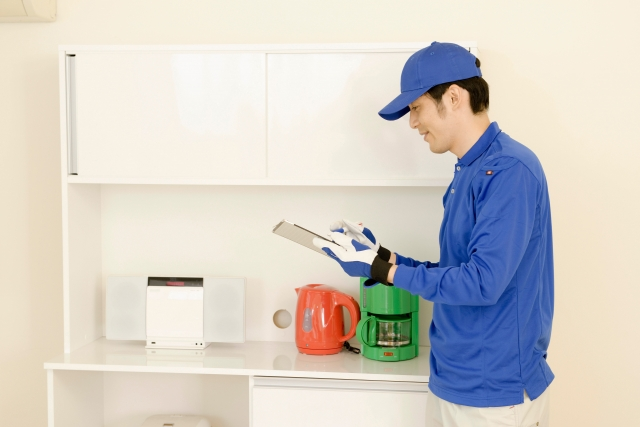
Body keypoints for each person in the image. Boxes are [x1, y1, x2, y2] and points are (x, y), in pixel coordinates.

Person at [313, 42, 554, 427]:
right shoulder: (468, 171)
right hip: (452, 381)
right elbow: (456, 271)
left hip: (494, 394)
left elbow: (483, 283)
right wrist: (382, 256)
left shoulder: (509, 170)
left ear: (454, 97)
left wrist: (383, 271)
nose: (412, 123)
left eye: (416, 107)